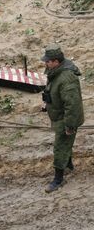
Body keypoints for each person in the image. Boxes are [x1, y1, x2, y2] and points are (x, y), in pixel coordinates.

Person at [40, 44, 84, 193]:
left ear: (56, 61)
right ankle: (69, 164)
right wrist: (48, 103)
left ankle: (58, 179)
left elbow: (73, 104)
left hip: (65, 119)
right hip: (58, 115)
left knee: (60, 147)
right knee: (65, 143)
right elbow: (53, 90)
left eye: (48, 61)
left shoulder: (66, 78)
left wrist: (70, 125)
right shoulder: (55, 72)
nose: (45, 63)